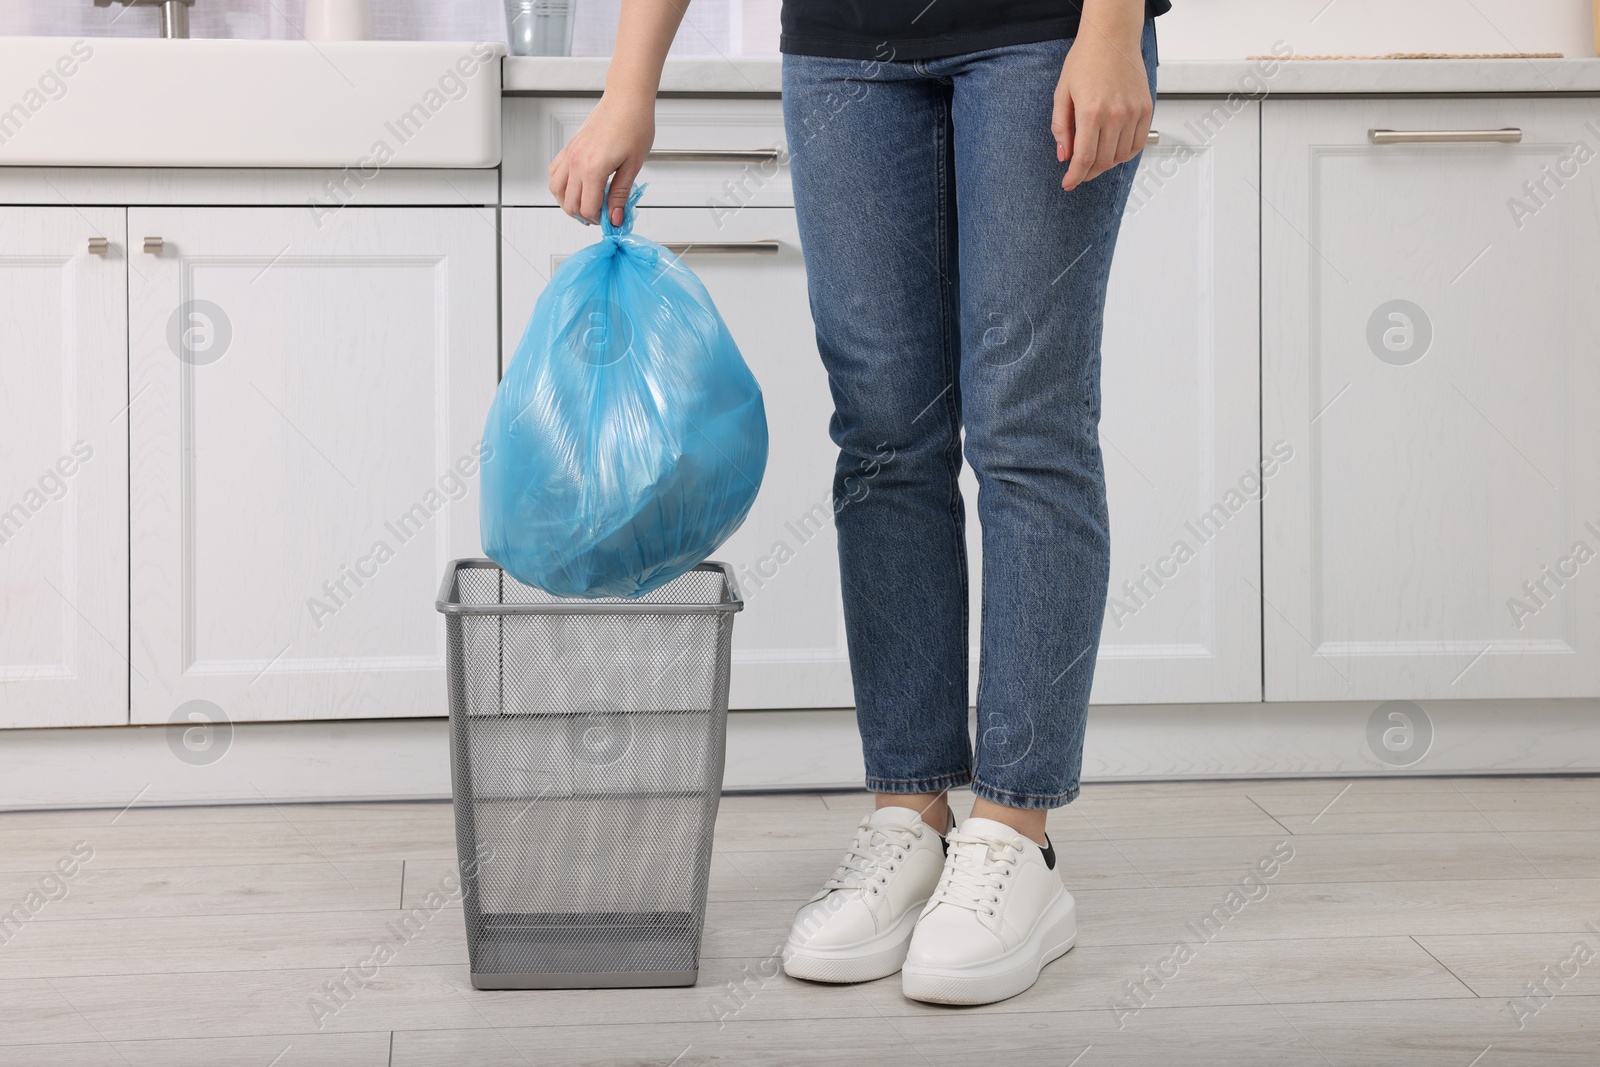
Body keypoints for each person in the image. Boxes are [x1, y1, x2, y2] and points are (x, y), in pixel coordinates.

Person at [549, 0, 1167, 1006]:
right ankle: (909, 813)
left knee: (1028, 431)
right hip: (844, 45)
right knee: (883, 439)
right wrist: (628, 87)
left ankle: (1014, 833)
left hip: (1040, 27)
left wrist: (1109, 28)